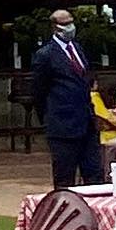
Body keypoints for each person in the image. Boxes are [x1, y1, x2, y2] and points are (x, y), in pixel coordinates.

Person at [30, 10, 102, 190]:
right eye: (65, 24)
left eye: (71, 22)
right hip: (62, 125)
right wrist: (48, 118)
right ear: (55, 27)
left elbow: (84, 77)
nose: (70, 27)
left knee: (95, 174)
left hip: (86, 122)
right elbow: (39, 91)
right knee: (65, 178)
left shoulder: (77, 48)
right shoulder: (45, 55)